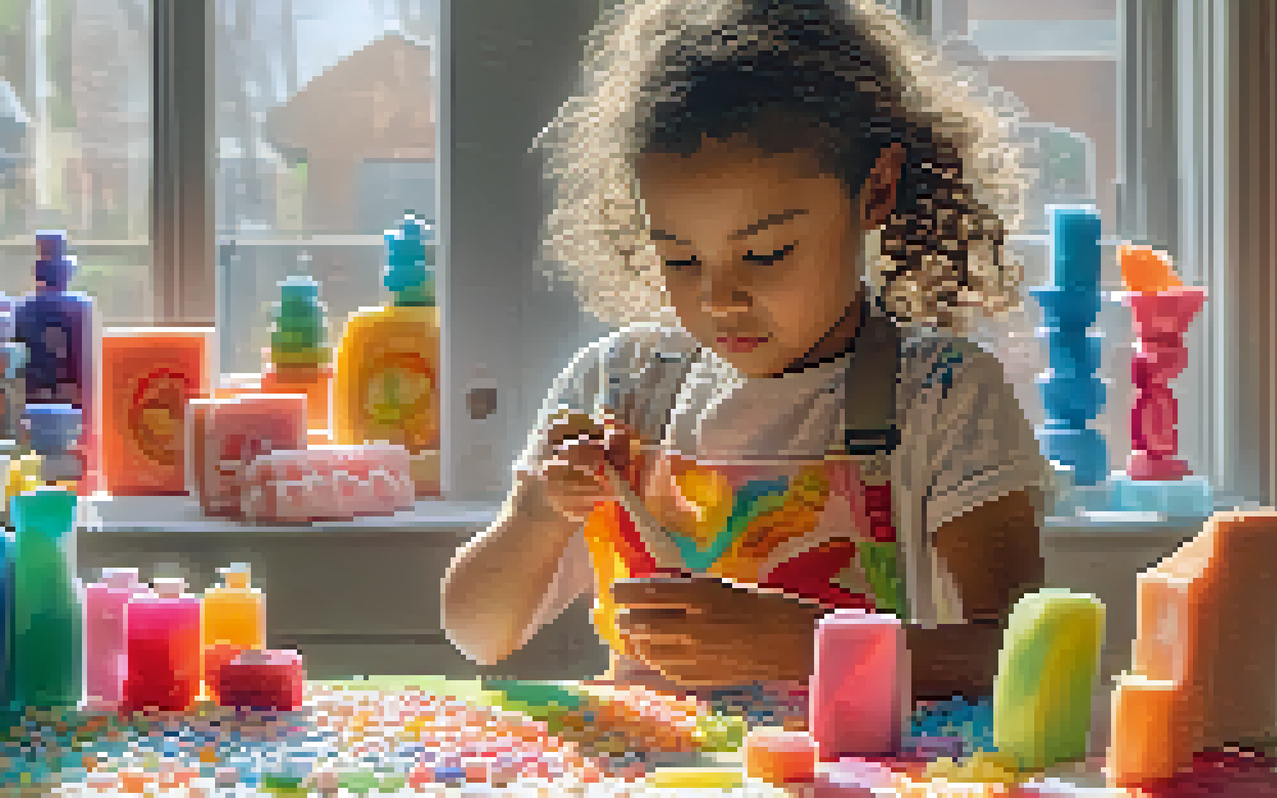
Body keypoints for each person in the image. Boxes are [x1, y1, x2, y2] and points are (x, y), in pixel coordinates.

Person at [441, 0, 1053, 700]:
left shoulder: (941, 396)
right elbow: (477, 634)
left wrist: (805, 647)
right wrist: (539, 514)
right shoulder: (621, 389)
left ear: (875, 190)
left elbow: (1016, 656)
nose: (720, 300)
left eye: (765, 254)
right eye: (679, 259)